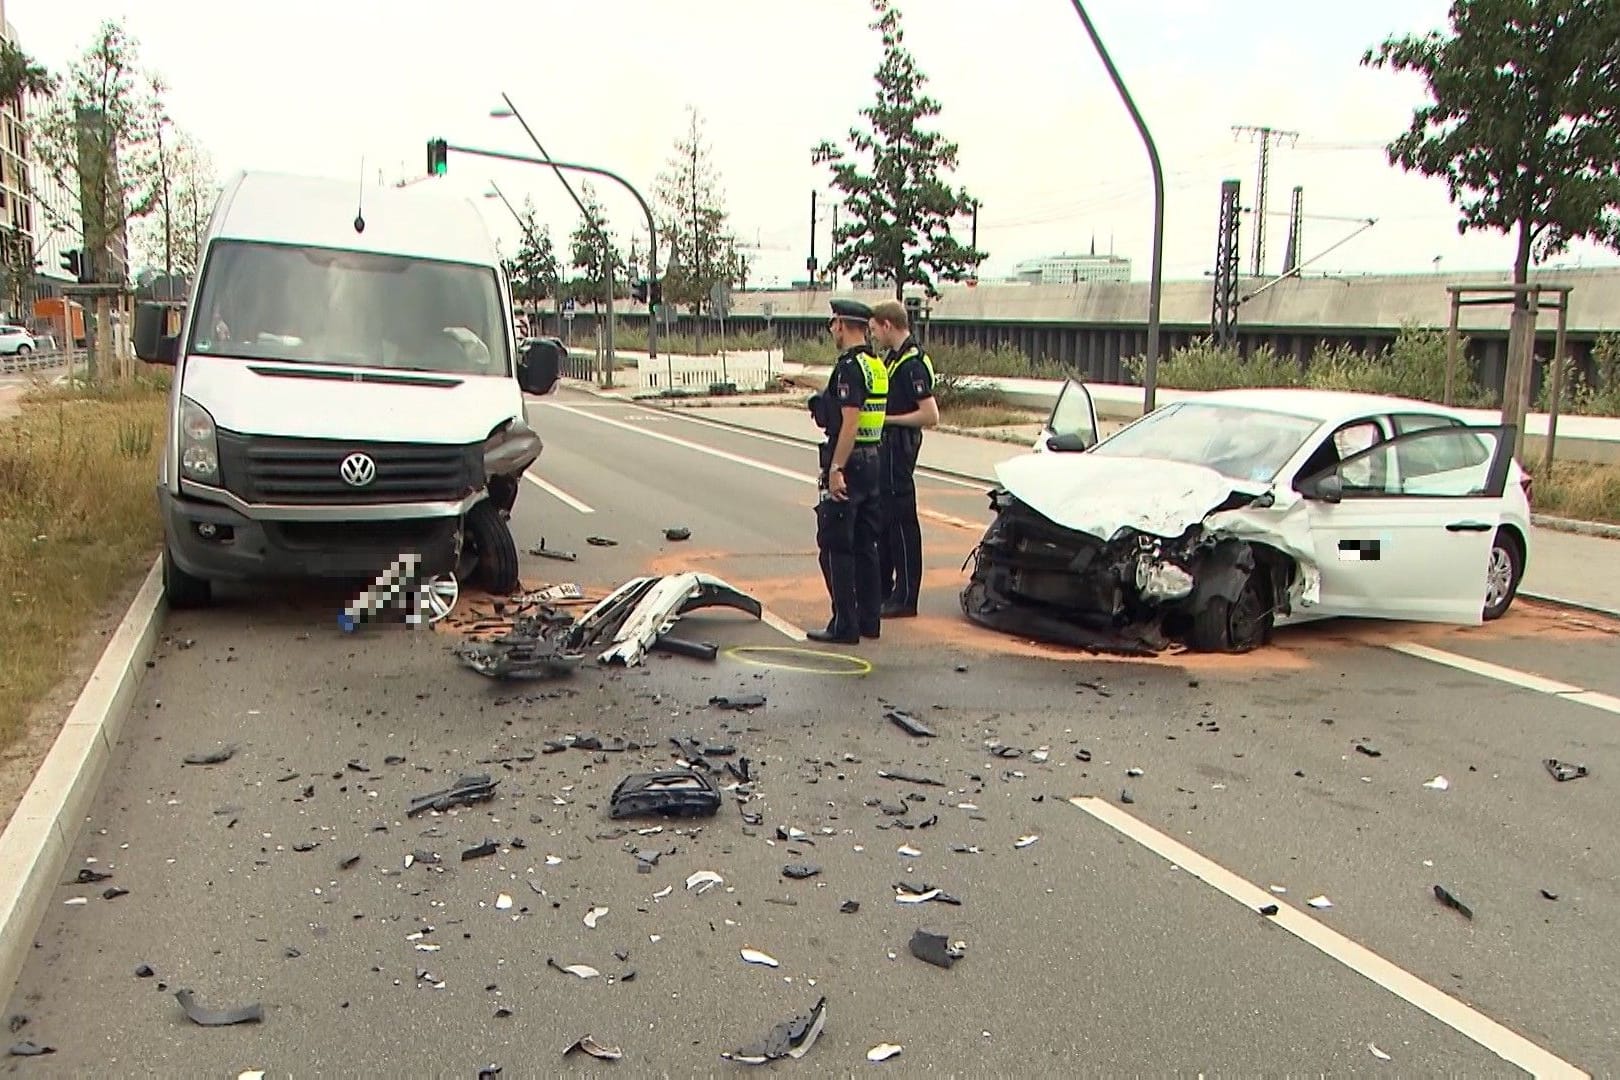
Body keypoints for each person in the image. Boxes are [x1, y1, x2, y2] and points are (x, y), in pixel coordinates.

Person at [806, 298, 888, 644]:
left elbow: (849, 422)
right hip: (874, 459)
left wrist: (836, 468)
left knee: (836, 545)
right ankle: (870, 620)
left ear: (841, 324)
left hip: (850, 461)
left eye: (833, 324)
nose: (831, 330)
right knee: (866, 544)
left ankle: (844, 625)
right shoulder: (875, 364)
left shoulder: (849, 368)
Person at [870, 299, 939, 618]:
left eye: (875, 330)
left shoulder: (912, 363)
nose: (874, 336)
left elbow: (930, 415)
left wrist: (889, 420)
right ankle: (888, 590)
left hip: (900, 450)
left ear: (887, 325)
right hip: (888, 452)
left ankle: (906, 597)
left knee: (901, 527)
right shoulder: (894, 358)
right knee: (885, 524)